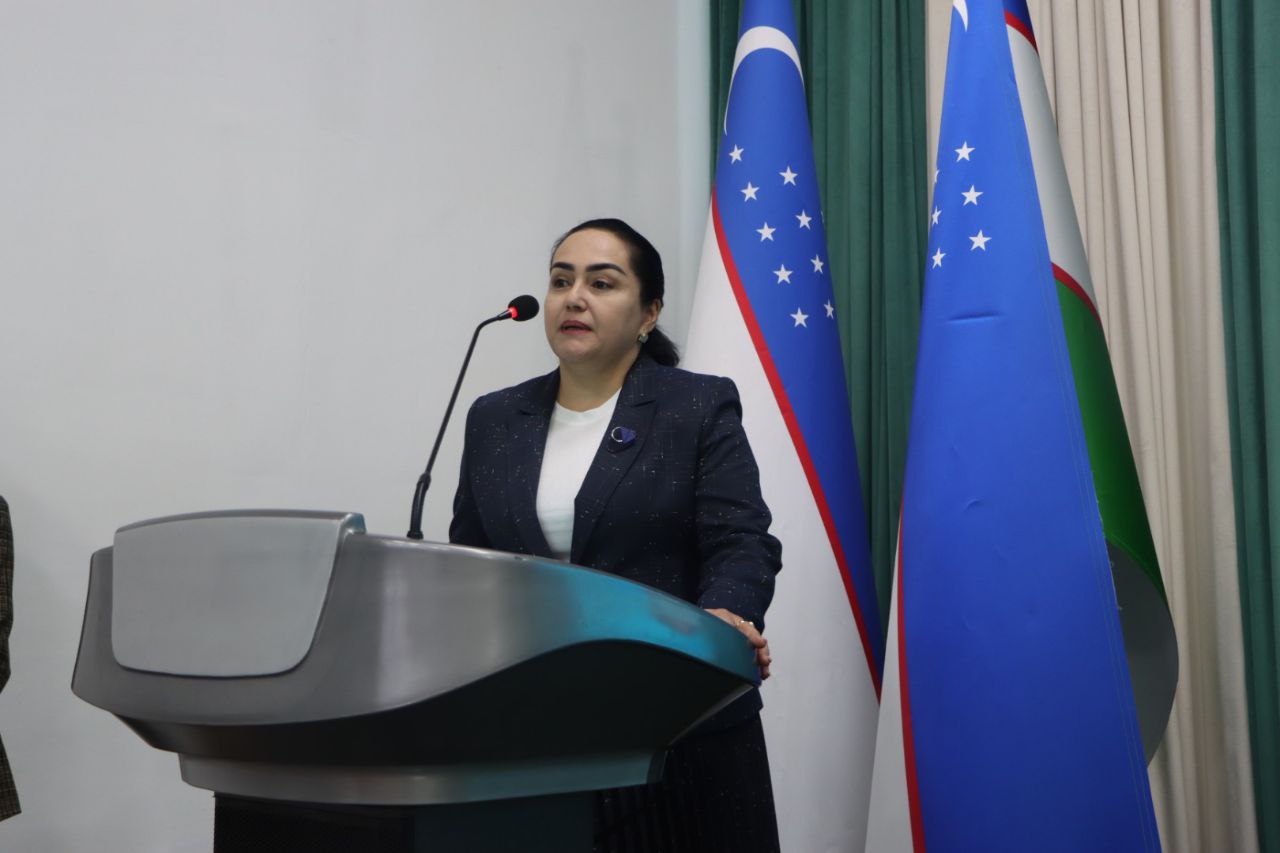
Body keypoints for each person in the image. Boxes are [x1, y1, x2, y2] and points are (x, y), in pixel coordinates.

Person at [449, 218, 781, 852]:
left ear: (648, 313)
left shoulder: (695, 406)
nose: (574, 298)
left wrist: (725, 616)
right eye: (561, 281)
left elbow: (741, 539)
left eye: (601, 283)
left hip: (677, 726)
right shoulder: (495, 418)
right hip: (536, 736)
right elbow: (473, 565)